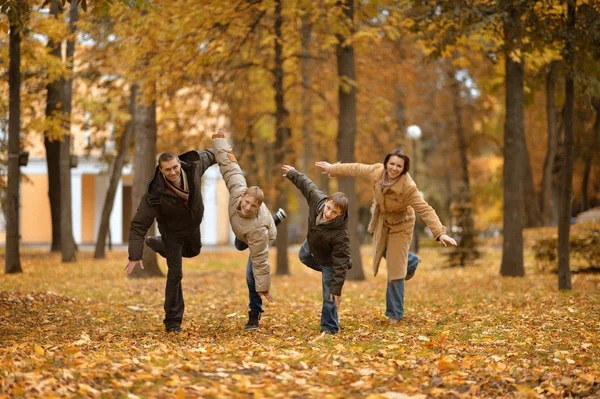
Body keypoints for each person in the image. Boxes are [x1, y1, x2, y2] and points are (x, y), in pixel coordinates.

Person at [315, 150, 457, 323]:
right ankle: (410, 262)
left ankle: (394, 314)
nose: (394, 168)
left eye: (399, 166)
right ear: (386, 163)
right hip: (383, 221)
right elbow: (356, 169)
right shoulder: (377, 172)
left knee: (395, 270)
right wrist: (333, 169)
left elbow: (425, 209)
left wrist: (439, 232)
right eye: (392, 164)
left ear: (404, 169)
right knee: (384, 254)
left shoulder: (408, 188)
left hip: (402, 225)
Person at [125, 149, 216, 333]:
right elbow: (138, 225)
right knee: (175, 274)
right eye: (168, 170)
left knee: (193, 251)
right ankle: (173, 323)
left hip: (192, 227)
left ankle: (158, 244)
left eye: (175, 167)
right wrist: (135, 254)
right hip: (172, 234)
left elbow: (210, 154)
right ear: (161, 170)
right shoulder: (155, 194)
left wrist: (224, 151)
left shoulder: (193, 167)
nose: (173, 172)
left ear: (179, 164)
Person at [212, 128, 277, 330]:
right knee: (239, 244)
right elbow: (230, 167)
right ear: (243, 196)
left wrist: (263, 287)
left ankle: (255, 314)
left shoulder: (257, 229)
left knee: (251, 276)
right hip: (242, 231)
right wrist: (219, 140)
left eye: (253, 207)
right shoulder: (238, 190)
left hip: (261, 237)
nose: (248, 208)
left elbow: (260, 261)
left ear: (258, 208)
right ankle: (276, 219)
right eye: (247, 202)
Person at [282, 165, 351, 335]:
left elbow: (340, 259)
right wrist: (293, 174)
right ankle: (330, 273)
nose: (329, 213)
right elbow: (307, 185)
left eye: (334, 212)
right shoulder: (317, 200)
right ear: (326, 201)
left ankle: (329, 328)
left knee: (329, 295)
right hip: (312, 244)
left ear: (340, 214)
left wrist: (335, 286)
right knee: (303, 255)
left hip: (330, 259)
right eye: (329, 208)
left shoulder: (341, 234)